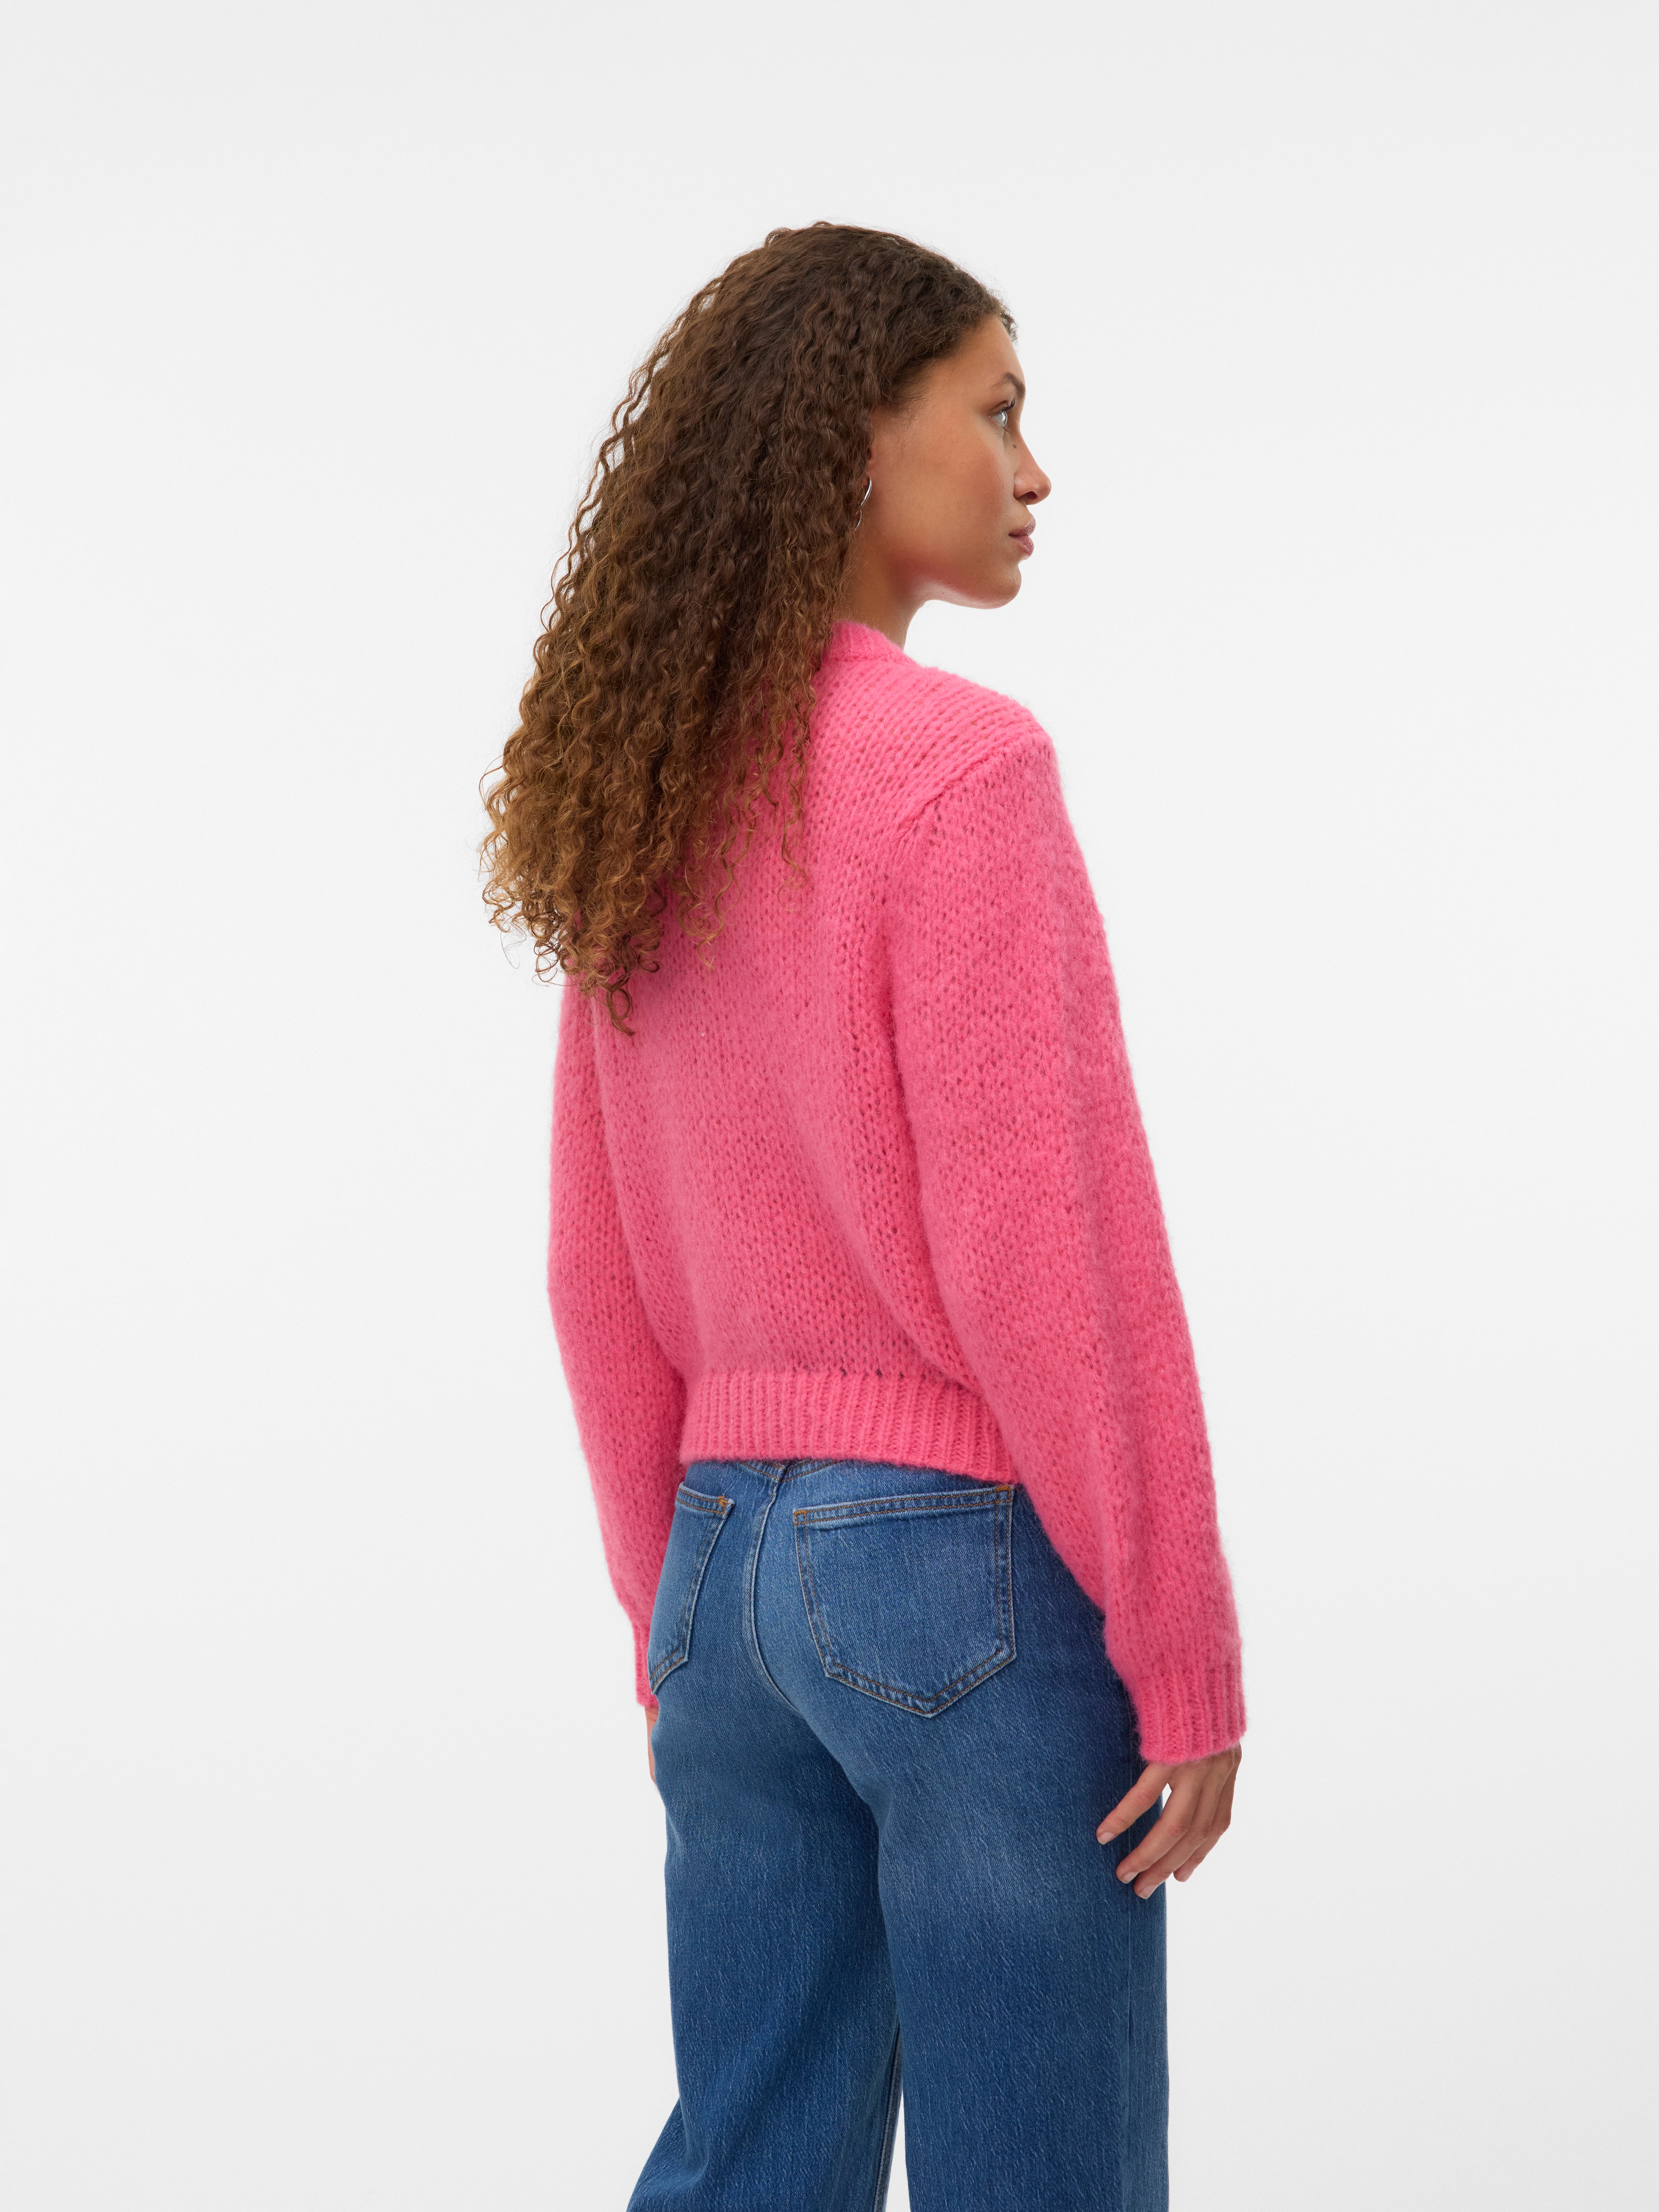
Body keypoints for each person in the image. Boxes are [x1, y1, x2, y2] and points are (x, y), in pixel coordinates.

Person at [479, 221, 1246, 2212]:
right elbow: (1051, 1250)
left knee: (752, 2165)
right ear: (854, 439)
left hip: (720, 1571)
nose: (1033, 470)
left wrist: (670, 1613)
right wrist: (1181, 1641)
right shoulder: (961, 770)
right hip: (955, 1580)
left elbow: (592, 1264)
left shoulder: (649, 786)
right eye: (994, 413)